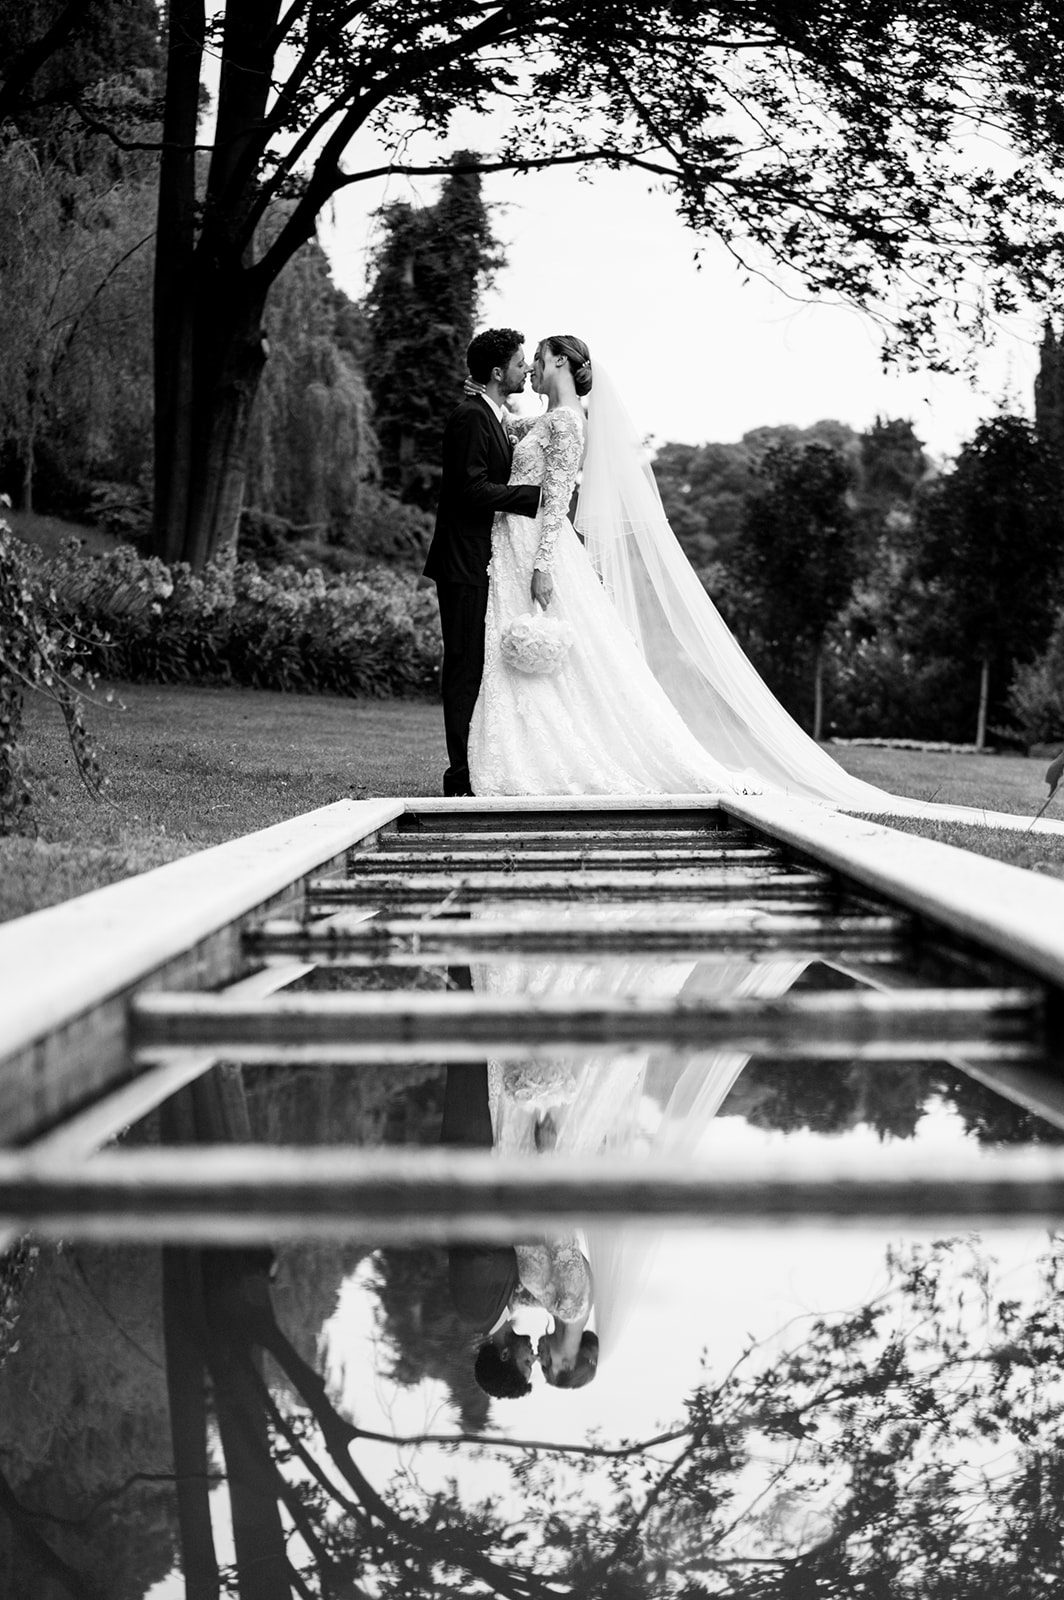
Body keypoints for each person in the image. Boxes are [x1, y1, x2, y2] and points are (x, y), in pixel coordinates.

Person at [465, 333, 1064, 829]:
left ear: (561, 362)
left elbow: (556, 498)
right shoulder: (549, 418)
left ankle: (562, 755)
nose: (532, 367)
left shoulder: (568, 422)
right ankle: (542, 749)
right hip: (515, 544)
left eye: (539, 358)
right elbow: (512, 438)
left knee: (572, 659)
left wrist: (545, 562)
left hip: (539, 550)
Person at [424, 328, 542, 797]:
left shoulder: (491, 414)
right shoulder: (470, 417)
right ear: (497, 372)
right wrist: (531, 498)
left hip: (481, 561)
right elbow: (470, 490)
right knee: (464, 666)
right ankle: (459, 777)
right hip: (463, 562)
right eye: (519, 363)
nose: (526, 369)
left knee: (477, 664)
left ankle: (476, 769)